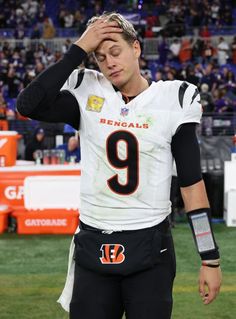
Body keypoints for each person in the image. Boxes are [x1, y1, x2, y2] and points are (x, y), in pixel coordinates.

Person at [17, 12, 222, 319]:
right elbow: (27, 105)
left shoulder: (172, 98)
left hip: (150, 246)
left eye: (116, 52)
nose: (109, 62)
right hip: (93, 243)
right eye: (99, 57)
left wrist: (210, 259)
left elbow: (192, 187)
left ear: (136, 48)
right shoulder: (89, 92)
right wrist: (79, 48)